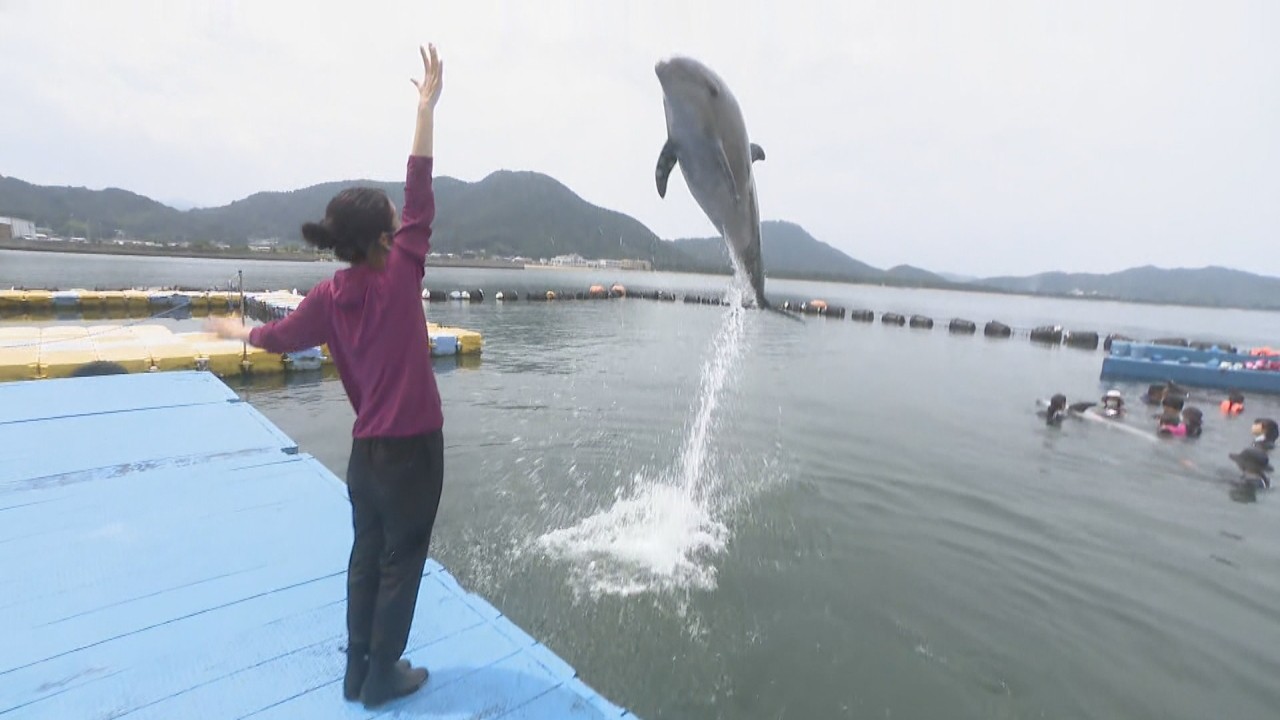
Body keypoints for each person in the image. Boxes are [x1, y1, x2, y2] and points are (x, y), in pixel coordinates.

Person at [205, 43, 445, 710]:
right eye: (395, 229)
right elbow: (420, 182)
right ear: (379, 243)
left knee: (365, 557)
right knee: (402, 561)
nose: (404, 231)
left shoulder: (325, 296)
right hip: (414, 452)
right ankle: (383, 675)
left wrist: (237, 332)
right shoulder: (401, 273)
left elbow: (279, 340)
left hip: (365, 457)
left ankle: (355, 668)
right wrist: (425, 108)